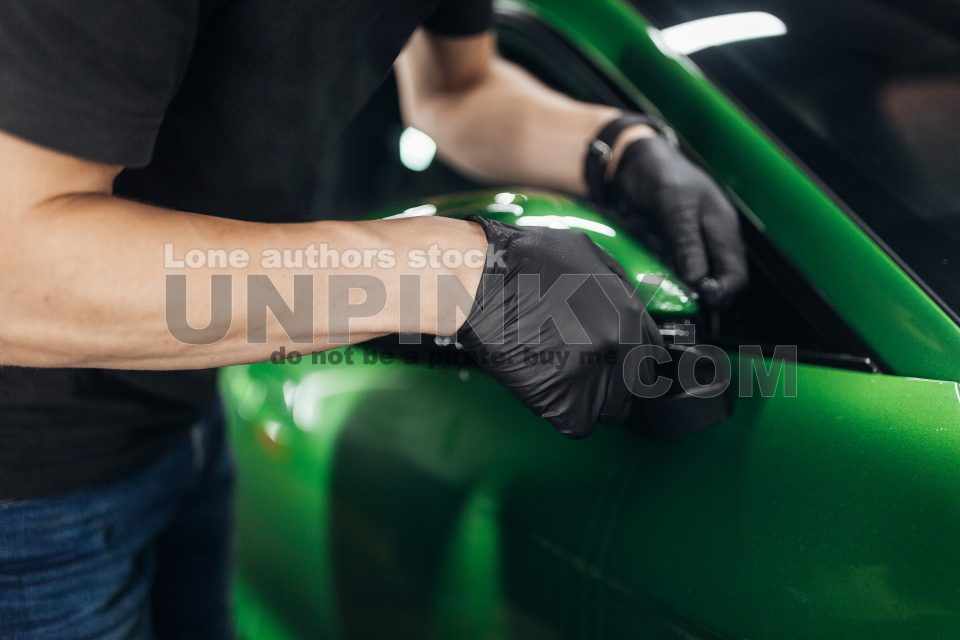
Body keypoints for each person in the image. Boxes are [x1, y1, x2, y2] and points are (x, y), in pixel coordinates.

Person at [0, 1, 746, 637]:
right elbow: (20, 274)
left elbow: (457, 89)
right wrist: (450, 275)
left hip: (178, 404)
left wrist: (617, 149)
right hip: (28, 489)